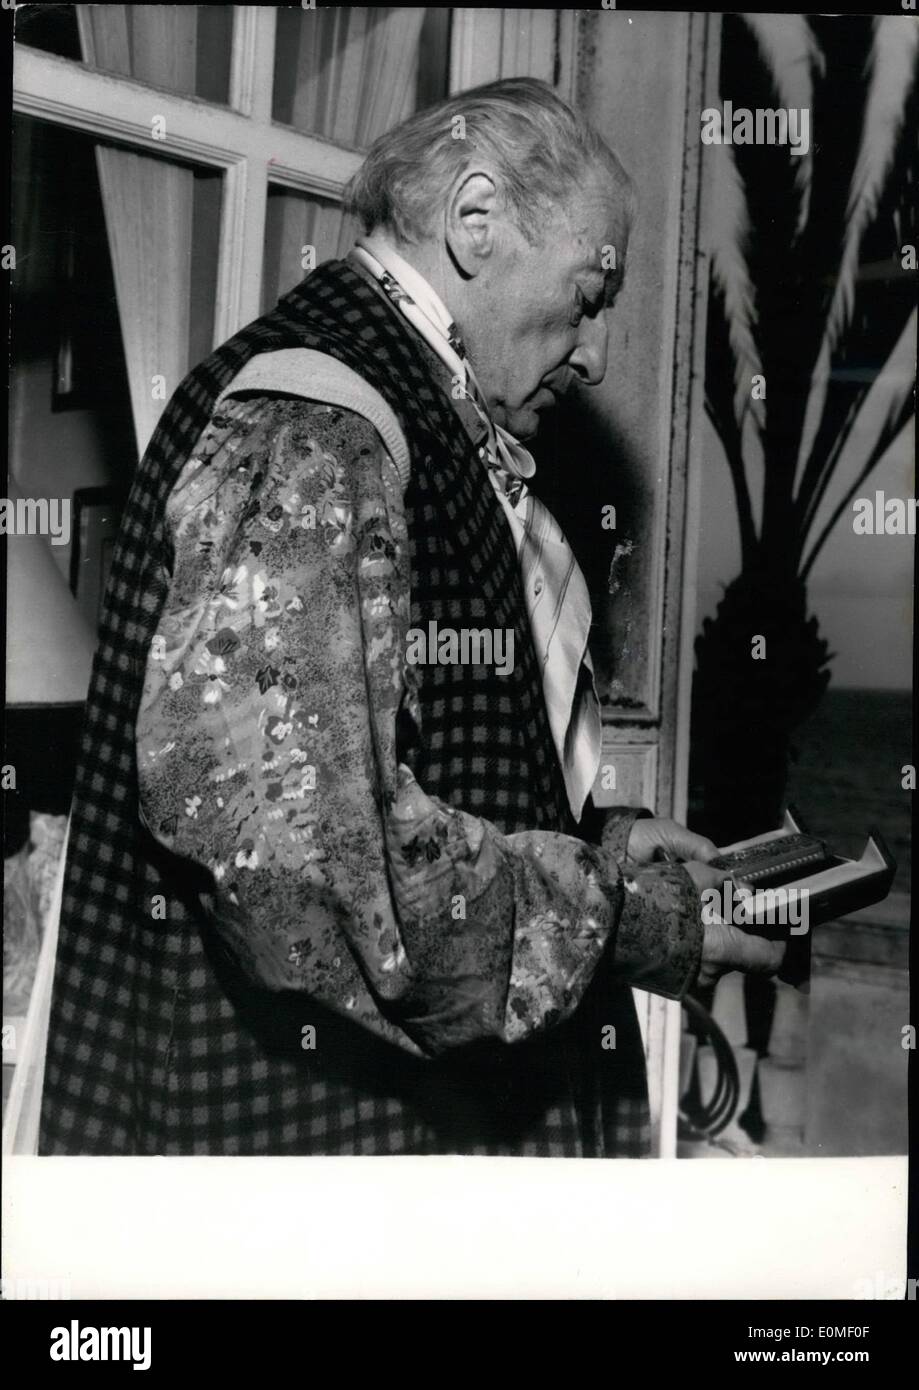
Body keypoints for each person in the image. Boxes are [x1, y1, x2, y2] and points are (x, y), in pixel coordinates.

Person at [40, 78, 782, 1157]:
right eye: (587, 296)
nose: (597, 352)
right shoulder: (317, 414)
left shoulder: (400, 405)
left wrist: (599, 846)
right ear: (474, 221)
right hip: (312, 1163)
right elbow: (321, 876)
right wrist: (627, 917)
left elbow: (385, 772)